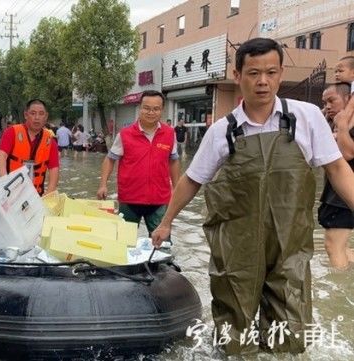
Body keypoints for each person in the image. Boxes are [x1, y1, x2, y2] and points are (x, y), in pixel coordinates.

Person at [151, 38, 354, 355]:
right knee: (233, 332)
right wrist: (166, 223)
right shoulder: (223, 131)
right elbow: (192, 180)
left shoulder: (307, 117)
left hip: (290, 244)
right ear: (237, 75)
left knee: (288, 333)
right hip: (237, 246)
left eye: (271, 72)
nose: (263, 81)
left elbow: (338, 168)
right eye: (254, 73)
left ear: (280, 73)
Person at [96, 90, 180, 239]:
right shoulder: (125, 134)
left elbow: (173, 161)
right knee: (123, 245)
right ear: (139, 108)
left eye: (156, 109)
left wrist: (177, 188)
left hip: (159, 200)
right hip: (129, 200)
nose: (151, 112)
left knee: (161, 247)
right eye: (146, 108)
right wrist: (103, 184)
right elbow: (110, 159)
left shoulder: (169, 134)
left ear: (162, 110)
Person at [318, 82, 354, 269]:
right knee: (342, 246)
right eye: (325, 103)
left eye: (332, 100)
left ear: (348, 99)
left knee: (333, 245)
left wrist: (341, 125)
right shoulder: (336, 123)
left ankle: (338, 289)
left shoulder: (346, 124)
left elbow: (348, 153)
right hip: (336, 194)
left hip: (343, 195)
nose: (328, 106)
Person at [0, 99, 59, 195]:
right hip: (9, 192)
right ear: (26, 115)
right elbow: (1, 157)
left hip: (35, 196)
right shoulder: (11, 132)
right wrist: (5, 184)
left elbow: (54, 169)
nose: (37, 117)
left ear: (46, 116)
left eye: (41, 114)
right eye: (33, 113)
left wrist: (49, 194)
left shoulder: (50, 141)